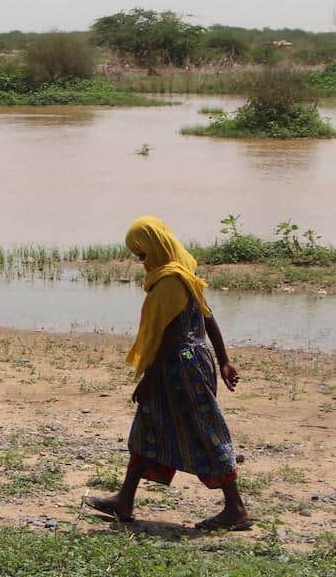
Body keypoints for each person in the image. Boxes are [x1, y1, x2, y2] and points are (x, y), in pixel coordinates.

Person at [83, 215, 250, 530]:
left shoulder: (172, 281)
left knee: (206, 431)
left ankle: (235, 508)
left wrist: (148, 380)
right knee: (147, 425)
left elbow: (171, 336)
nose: (142, 260)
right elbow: (207, 315)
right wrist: (224, 359)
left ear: (157, 247)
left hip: (181, 366)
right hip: (186, 361)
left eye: (143, 253)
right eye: (138, 255)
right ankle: (125, 500)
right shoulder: (181, 270)